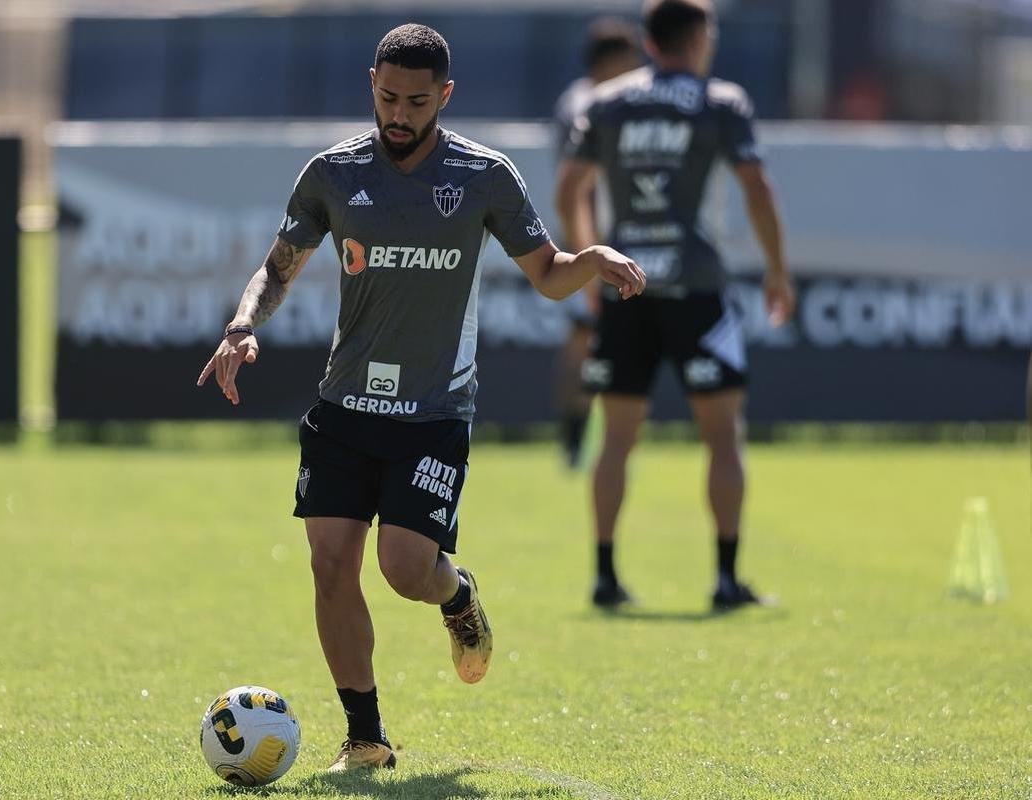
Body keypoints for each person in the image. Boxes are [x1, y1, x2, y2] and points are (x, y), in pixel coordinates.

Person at [197, 24, 646, 773]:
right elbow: (277, 270)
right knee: (331, 565)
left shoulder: (483, 176)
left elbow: (547, 270)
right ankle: (366, 738)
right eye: (386, 97)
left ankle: (457, 594)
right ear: (371, 81)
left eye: (414, 101)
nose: (398, 114)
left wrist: (589, 260)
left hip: (434, 414)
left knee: (405, 569)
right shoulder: (333, 174)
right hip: (344, 409)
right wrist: (243, 323)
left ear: (445, 95)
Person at [555, 0, 795, 611]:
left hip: (625, 284)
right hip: (697, 288)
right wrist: (776, 270)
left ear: (649, 40)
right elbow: (758, 188)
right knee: (722, 435)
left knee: (615, 440)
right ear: (698, 37)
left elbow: (567, 191)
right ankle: (724, 578)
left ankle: (604, 577)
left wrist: (588, 265)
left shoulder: (605, 102)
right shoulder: (722, 102)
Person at [552, 18, 641, 469]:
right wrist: (587, 250)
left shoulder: (579, 101)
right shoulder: (592, 104)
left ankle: (587, 441)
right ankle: (579, 439)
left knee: (592, 341)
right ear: (613, 60)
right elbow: (578, 187)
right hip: (595, 244)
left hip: (595, 240)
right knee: (588, 341)